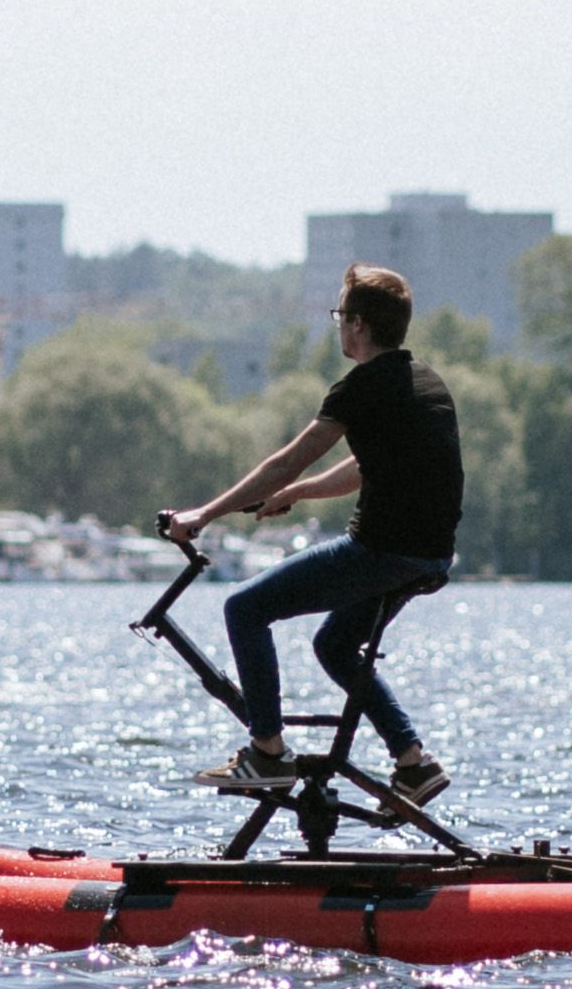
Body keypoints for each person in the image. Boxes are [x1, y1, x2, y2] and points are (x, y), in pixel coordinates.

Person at [161, 265, 459, 801]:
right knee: (336, 645)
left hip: (381, 551)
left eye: (340, 316)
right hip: (429, 557)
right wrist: (297, 496)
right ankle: (412, 762)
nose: (338, 326)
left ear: (359, 326)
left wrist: (201, 516)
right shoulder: (424, 382)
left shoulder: (360, 387)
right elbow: (365, 469)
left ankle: (268, 752)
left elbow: (286, 461)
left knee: (244, 610)